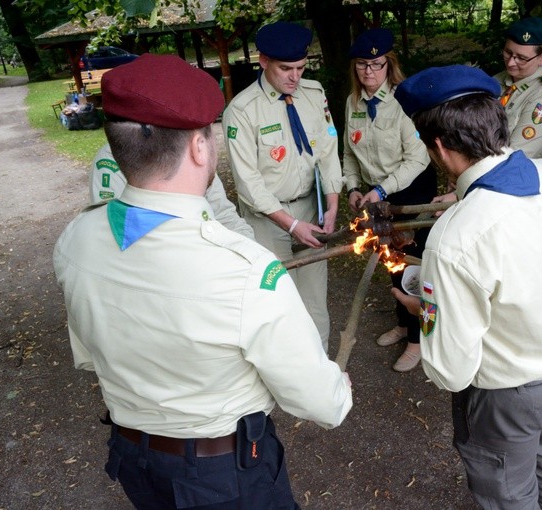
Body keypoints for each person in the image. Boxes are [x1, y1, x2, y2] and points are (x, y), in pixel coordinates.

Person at [54, 54, 353, 509]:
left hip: (133, 460)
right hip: (223, 477)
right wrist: (338, 388)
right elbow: (319, 401)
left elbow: (90, 353)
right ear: (199, 147)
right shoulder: (245, 271)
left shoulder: (76, 239)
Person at [392, 64, 542, 510]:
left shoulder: (454, 237)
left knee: (508, 492)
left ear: (439, 146)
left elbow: (452, 370)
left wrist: (423, 312)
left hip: (511, 397)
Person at [223, 21, 343, 351]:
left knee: (315, 299)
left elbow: (328, 149)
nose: (295, 77)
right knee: (276, 299)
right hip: (267, 219)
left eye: (301, 68)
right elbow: (248, 182)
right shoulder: (242, 111)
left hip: (310, 207)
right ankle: (285, 367)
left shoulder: (314, 95)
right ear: (263, 62)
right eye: (286, 68)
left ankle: (320, 368)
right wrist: (290, 224)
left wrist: (332, 202)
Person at [343, 28, 436, 372]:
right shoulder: (352, 103)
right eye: (362, 65)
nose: (369, 72)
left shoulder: (404, 101)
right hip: (374, 193)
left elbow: (418, 159)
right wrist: (353, 186)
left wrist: (381, 190)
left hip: (409, 189)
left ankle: (417, 339)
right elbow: (348, 154)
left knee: (412, 265)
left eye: (377, 64)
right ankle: (402, 322)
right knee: (388, 258)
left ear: (389, 64)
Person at [90, 143, 256, 240]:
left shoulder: (192, 145)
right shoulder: (113, 158)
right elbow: (115, 234)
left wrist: (255, 253)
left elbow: (223, 213)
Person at [494, 16, 542, 158]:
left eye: (521, 58)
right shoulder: (497, 80)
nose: (510, 63)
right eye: (508, 53)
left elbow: (513, 157)